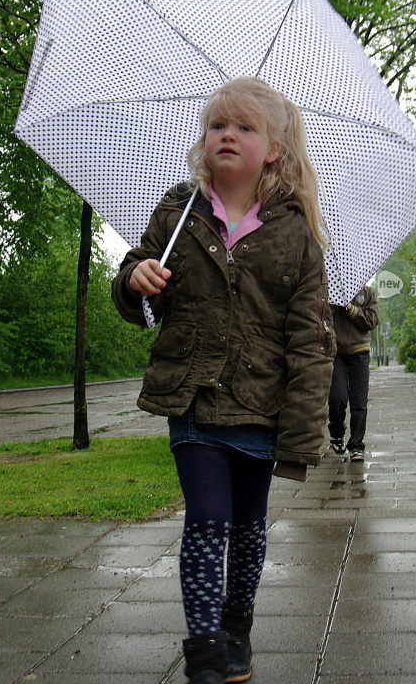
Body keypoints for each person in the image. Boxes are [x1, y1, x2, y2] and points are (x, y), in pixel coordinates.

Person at [111, 77, 335, 684]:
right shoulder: (179, 211)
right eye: (217, 126)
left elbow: (312, 343)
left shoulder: (296, 236)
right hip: (194, 396)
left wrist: (302, 434)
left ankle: (237, 626)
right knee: (208, 517)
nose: (227, 135)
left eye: (244, 127)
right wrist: (135, 279)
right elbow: (133, 270)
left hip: (261, 406)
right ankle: (205, 646)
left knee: (248, 526)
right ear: (204, 141)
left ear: (275, 149)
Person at [327, 286, 379, 462]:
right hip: (337, 353)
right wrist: (334, 306)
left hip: (360, 352)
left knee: (359, 403)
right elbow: (322, 318)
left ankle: (356, 445)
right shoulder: (332, 292)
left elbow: (372, 321)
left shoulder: (369, 293)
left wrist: (352, 309)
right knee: (337, 397)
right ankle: (336, 432)